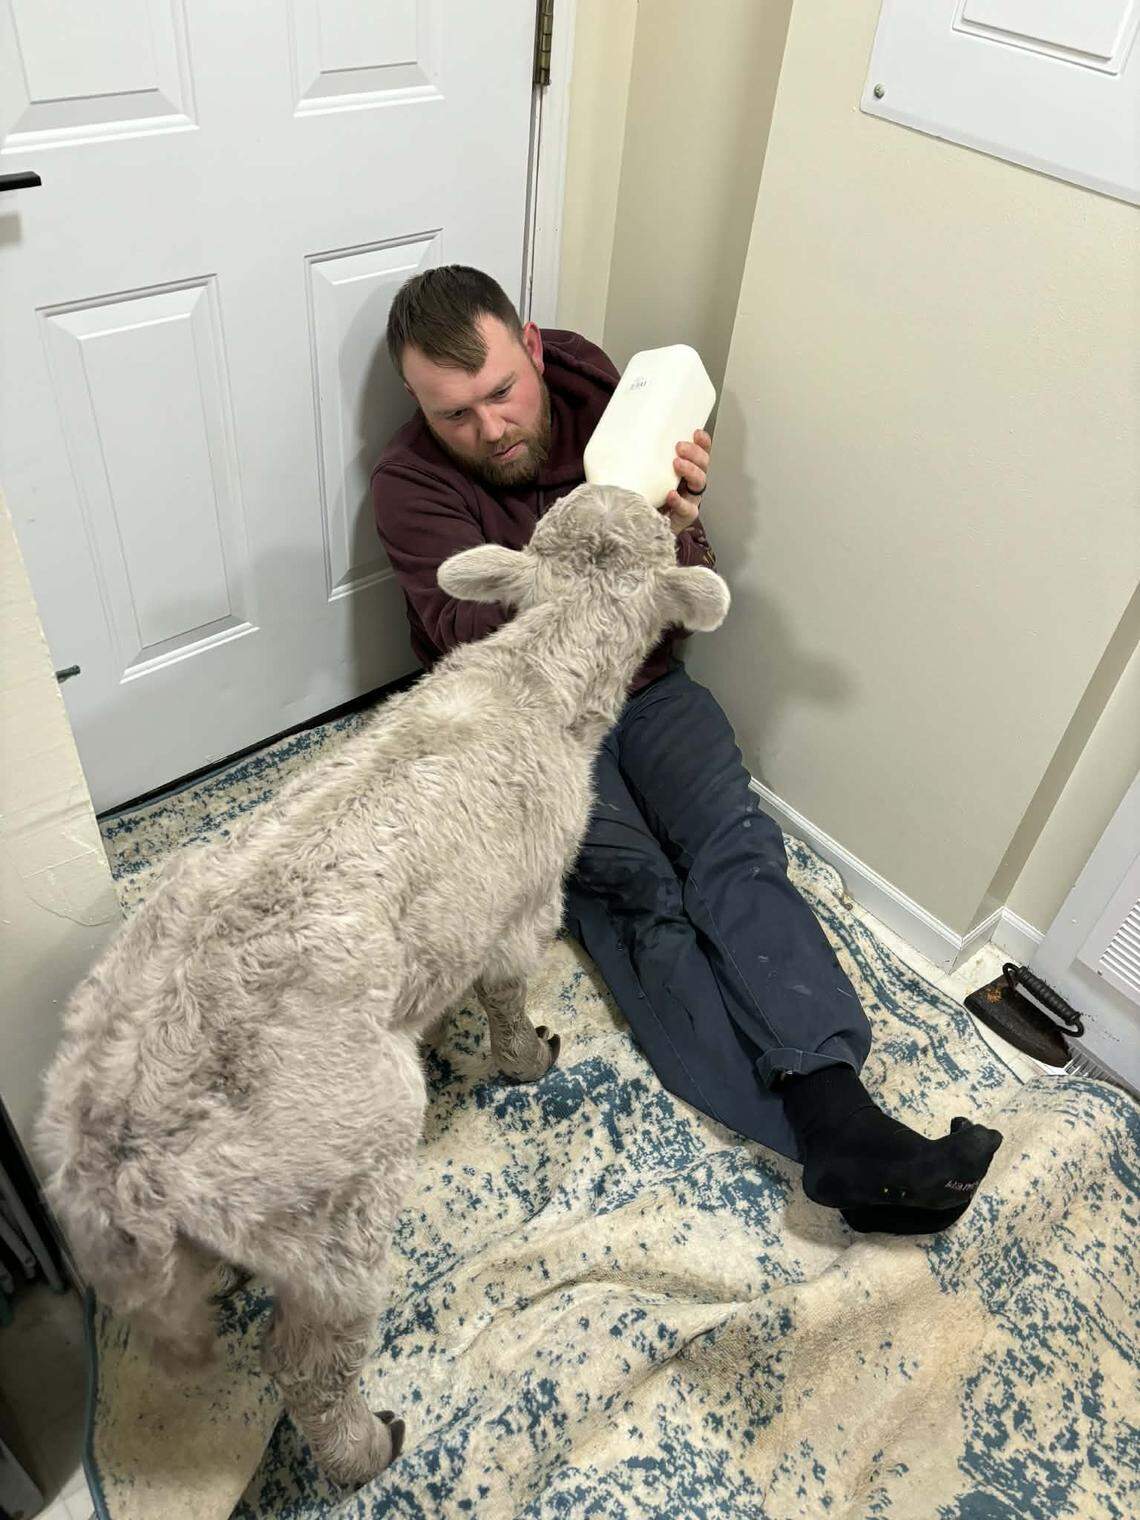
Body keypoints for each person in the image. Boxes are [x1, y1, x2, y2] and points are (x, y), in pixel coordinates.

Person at [371, 266, 1002, 1236]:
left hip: (650, 681)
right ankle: (830, 1134)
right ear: (420, 407)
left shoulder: (604, 391)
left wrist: (677, 526)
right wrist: (609, 555)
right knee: (642, 893)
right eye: (454, 414)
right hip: (526, 726)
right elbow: (470, 631)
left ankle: (840, 1108)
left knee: (735, 847)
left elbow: (686, 574)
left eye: (501, 390)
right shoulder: (411, 486)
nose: (490, 428)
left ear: (532, 349)